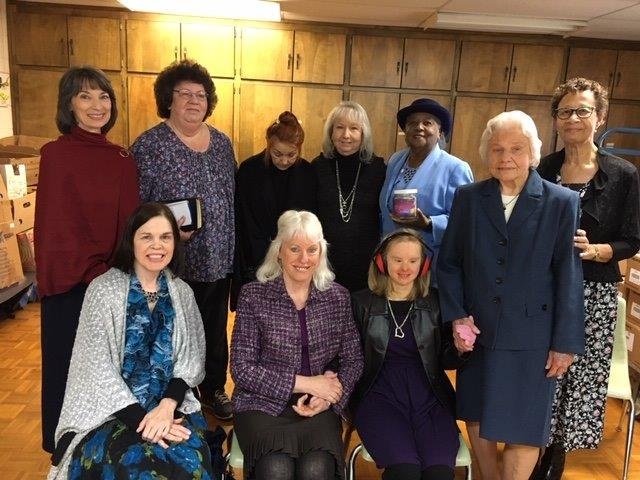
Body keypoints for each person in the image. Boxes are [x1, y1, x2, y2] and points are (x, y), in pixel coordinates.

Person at [437, 110, 585, 480]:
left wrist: (564, 343)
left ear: (533, 153)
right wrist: (457, 316)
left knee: (525, 425)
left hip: (532, 337)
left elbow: (568, 274)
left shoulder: (560, 202)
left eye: (516, 149)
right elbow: (450, 263)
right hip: (477, 333)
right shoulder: (468, 198)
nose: (506, 158)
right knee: (477, 413)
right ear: (486, 153)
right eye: (497, 149)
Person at [47, 202, 212, 479]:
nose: (156, 246)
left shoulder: (182, 293)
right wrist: (145, 421)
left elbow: (190, 361)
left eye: (165, 237)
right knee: (135, 470)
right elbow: (96, 370)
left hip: (169, 407)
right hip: (111, 413)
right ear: (131, 241)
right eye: (146, 237)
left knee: (191, 466)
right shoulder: (102, 291)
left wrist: (165, 408)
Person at [532, 78, 640, 479]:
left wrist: (598, 250)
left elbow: (633, 238)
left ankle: (553, 461)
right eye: (565, 111)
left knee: (575, 380)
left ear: (600, 116)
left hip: (593, 291)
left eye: (583, 110)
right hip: (542, 289)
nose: (573, 118)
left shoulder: (623, 173)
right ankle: (530, 447)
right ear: (556, 120)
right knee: (539, 371)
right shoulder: (542, 169)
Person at [34, 66, 140, 453]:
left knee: (108, 368)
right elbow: (57, 225)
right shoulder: (55, 156)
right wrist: (88, 271)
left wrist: (117, 272)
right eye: (85, 96)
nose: (97, 106)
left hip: (112, 281)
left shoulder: (122, 158)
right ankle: (63, 446)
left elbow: (130, 223)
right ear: (70, 105)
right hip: (70, 282)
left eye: (104, 97)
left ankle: (101, 445)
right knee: (65, 368)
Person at [131, 59, 236, 420]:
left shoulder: (222, 143)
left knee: (214, 327)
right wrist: (168, 233)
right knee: (174, 327)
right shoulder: (149, 145)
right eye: (185, 94)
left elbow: (229, 197)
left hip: (219, 257)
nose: (194, 101)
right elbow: (139, 207)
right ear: (168, 99)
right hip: (173, 259)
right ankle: (177, 393)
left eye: (201, 95)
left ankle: (214, 389)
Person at [231, 210, 364, 480]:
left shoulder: (337, 297)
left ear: (321, 253)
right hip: (261, 404)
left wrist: (328, 397)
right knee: (275, 470)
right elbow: (242, 369)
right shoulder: (253, 296)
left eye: (312, 250)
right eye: (295, 249)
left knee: (317, 469)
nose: (304, 259)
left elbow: (353, 360)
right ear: (279, 251)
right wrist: (307, 383)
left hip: (318, 406)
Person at [351, 229, 464, 480]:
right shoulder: (360, 303)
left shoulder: (436, 301)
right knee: (405, 471)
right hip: (379, 396)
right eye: (397, 260)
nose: (405, 268)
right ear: (382, 262)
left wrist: (459, 349)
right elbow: (350, 358)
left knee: (438, 472)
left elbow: (445, 359)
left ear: (423, 265)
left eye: (413, 261)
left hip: (430, 397)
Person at [379, 98, 473, 285]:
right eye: (412, 123)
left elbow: (465, 221)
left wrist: (429, 223)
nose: (419, 127)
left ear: (440, 132)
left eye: (427, 122)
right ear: (405, 131)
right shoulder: (395, 160)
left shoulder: (455, 168)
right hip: (391, 260)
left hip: (429, 262)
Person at [234, 111, 316, 307]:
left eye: (291, 155)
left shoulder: (307, 173)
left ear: (300, 149)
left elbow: (310, 222)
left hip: (295, 258)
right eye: (277, 154)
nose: (284, 161)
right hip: (255, 255)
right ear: (268, 145)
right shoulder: (249, 170)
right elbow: (244, 220)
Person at [312, 101, 385, 292]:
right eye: (340, 128)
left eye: (354, 128)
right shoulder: (317, 167)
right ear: (331, 132)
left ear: (364, 134)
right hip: (324, 261)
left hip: (365, 264)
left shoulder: (378, 168)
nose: (346, 135)